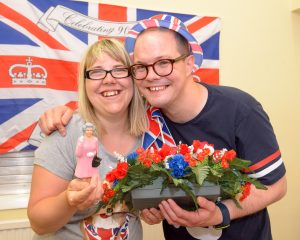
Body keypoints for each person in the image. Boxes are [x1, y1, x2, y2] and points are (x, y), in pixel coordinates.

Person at [37, 14, 287, 240]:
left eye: (164, 62)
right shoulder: (149, 120)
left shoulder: (239, 109)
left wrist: (221, 213)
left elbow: (276, 185)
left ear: (190, 64)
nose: (153, 75)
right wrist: (62, 114)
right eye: (142, 67)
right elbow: (106, 99)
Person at [27, 39, 147, 240]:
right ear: (85, 83)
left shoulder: (150, 136)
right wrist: (69, 200)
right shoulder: (66, 133)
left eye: (119, 69)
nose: (109, 80)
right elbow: (39, 224)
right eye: (97, 72)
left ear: (133, 78)